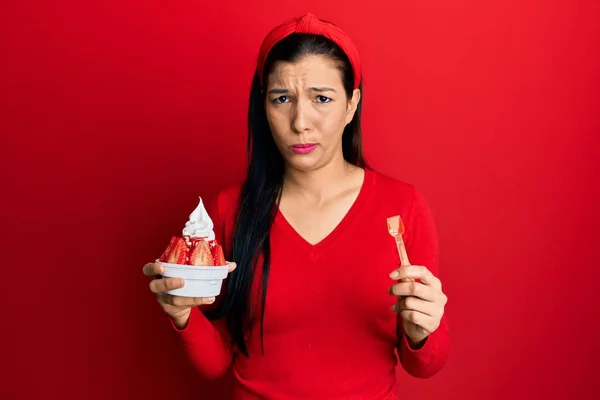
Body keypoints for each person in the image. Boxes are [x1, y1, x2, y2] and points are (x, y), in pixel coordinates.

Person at [143, 13, 450, 400]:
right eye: (282, 99)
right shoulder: (229, 209)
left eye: (322, 98)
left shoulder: (403, 207)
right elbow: (216, 363)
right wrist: (181, 314)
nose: (300, 122)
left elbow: (426, 364)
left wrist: (423, 331)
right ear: (263, 106)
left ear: (352, 103)